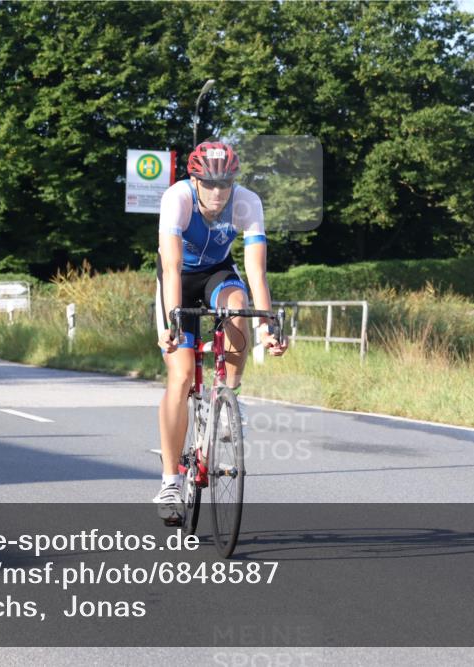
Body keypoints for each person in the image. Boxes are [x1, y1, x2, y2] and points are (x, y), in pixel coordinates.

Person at [153, 141, 288, 526]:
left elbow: (257, 272)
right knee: (179, 377)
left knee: (238, 304)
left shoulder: (247, 201)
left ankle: (229, 395)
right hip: (177, 280)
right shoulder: (176, 197)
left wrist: (267, 326)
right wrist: (171, 324)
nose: (217, 192)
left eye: (225, 183)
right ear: (194, 179)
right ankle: (169, 481)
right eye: (209, 184)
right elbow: (173, 265)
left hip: (217, 274)